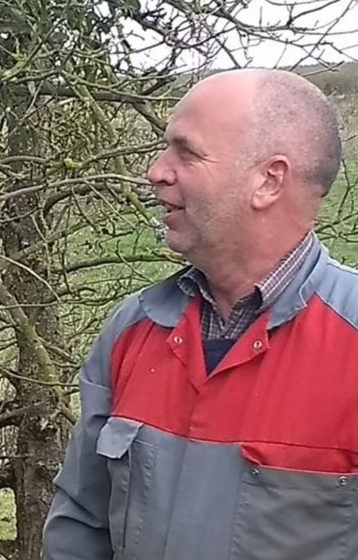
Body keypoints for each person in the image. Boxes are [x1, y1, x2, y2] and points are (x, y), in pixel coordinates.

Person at [42, 67, 356, 560]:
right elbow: (81, 524)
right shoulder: (133, 330)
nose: (156, 171)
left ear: (268, 181)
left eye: (186, 153)